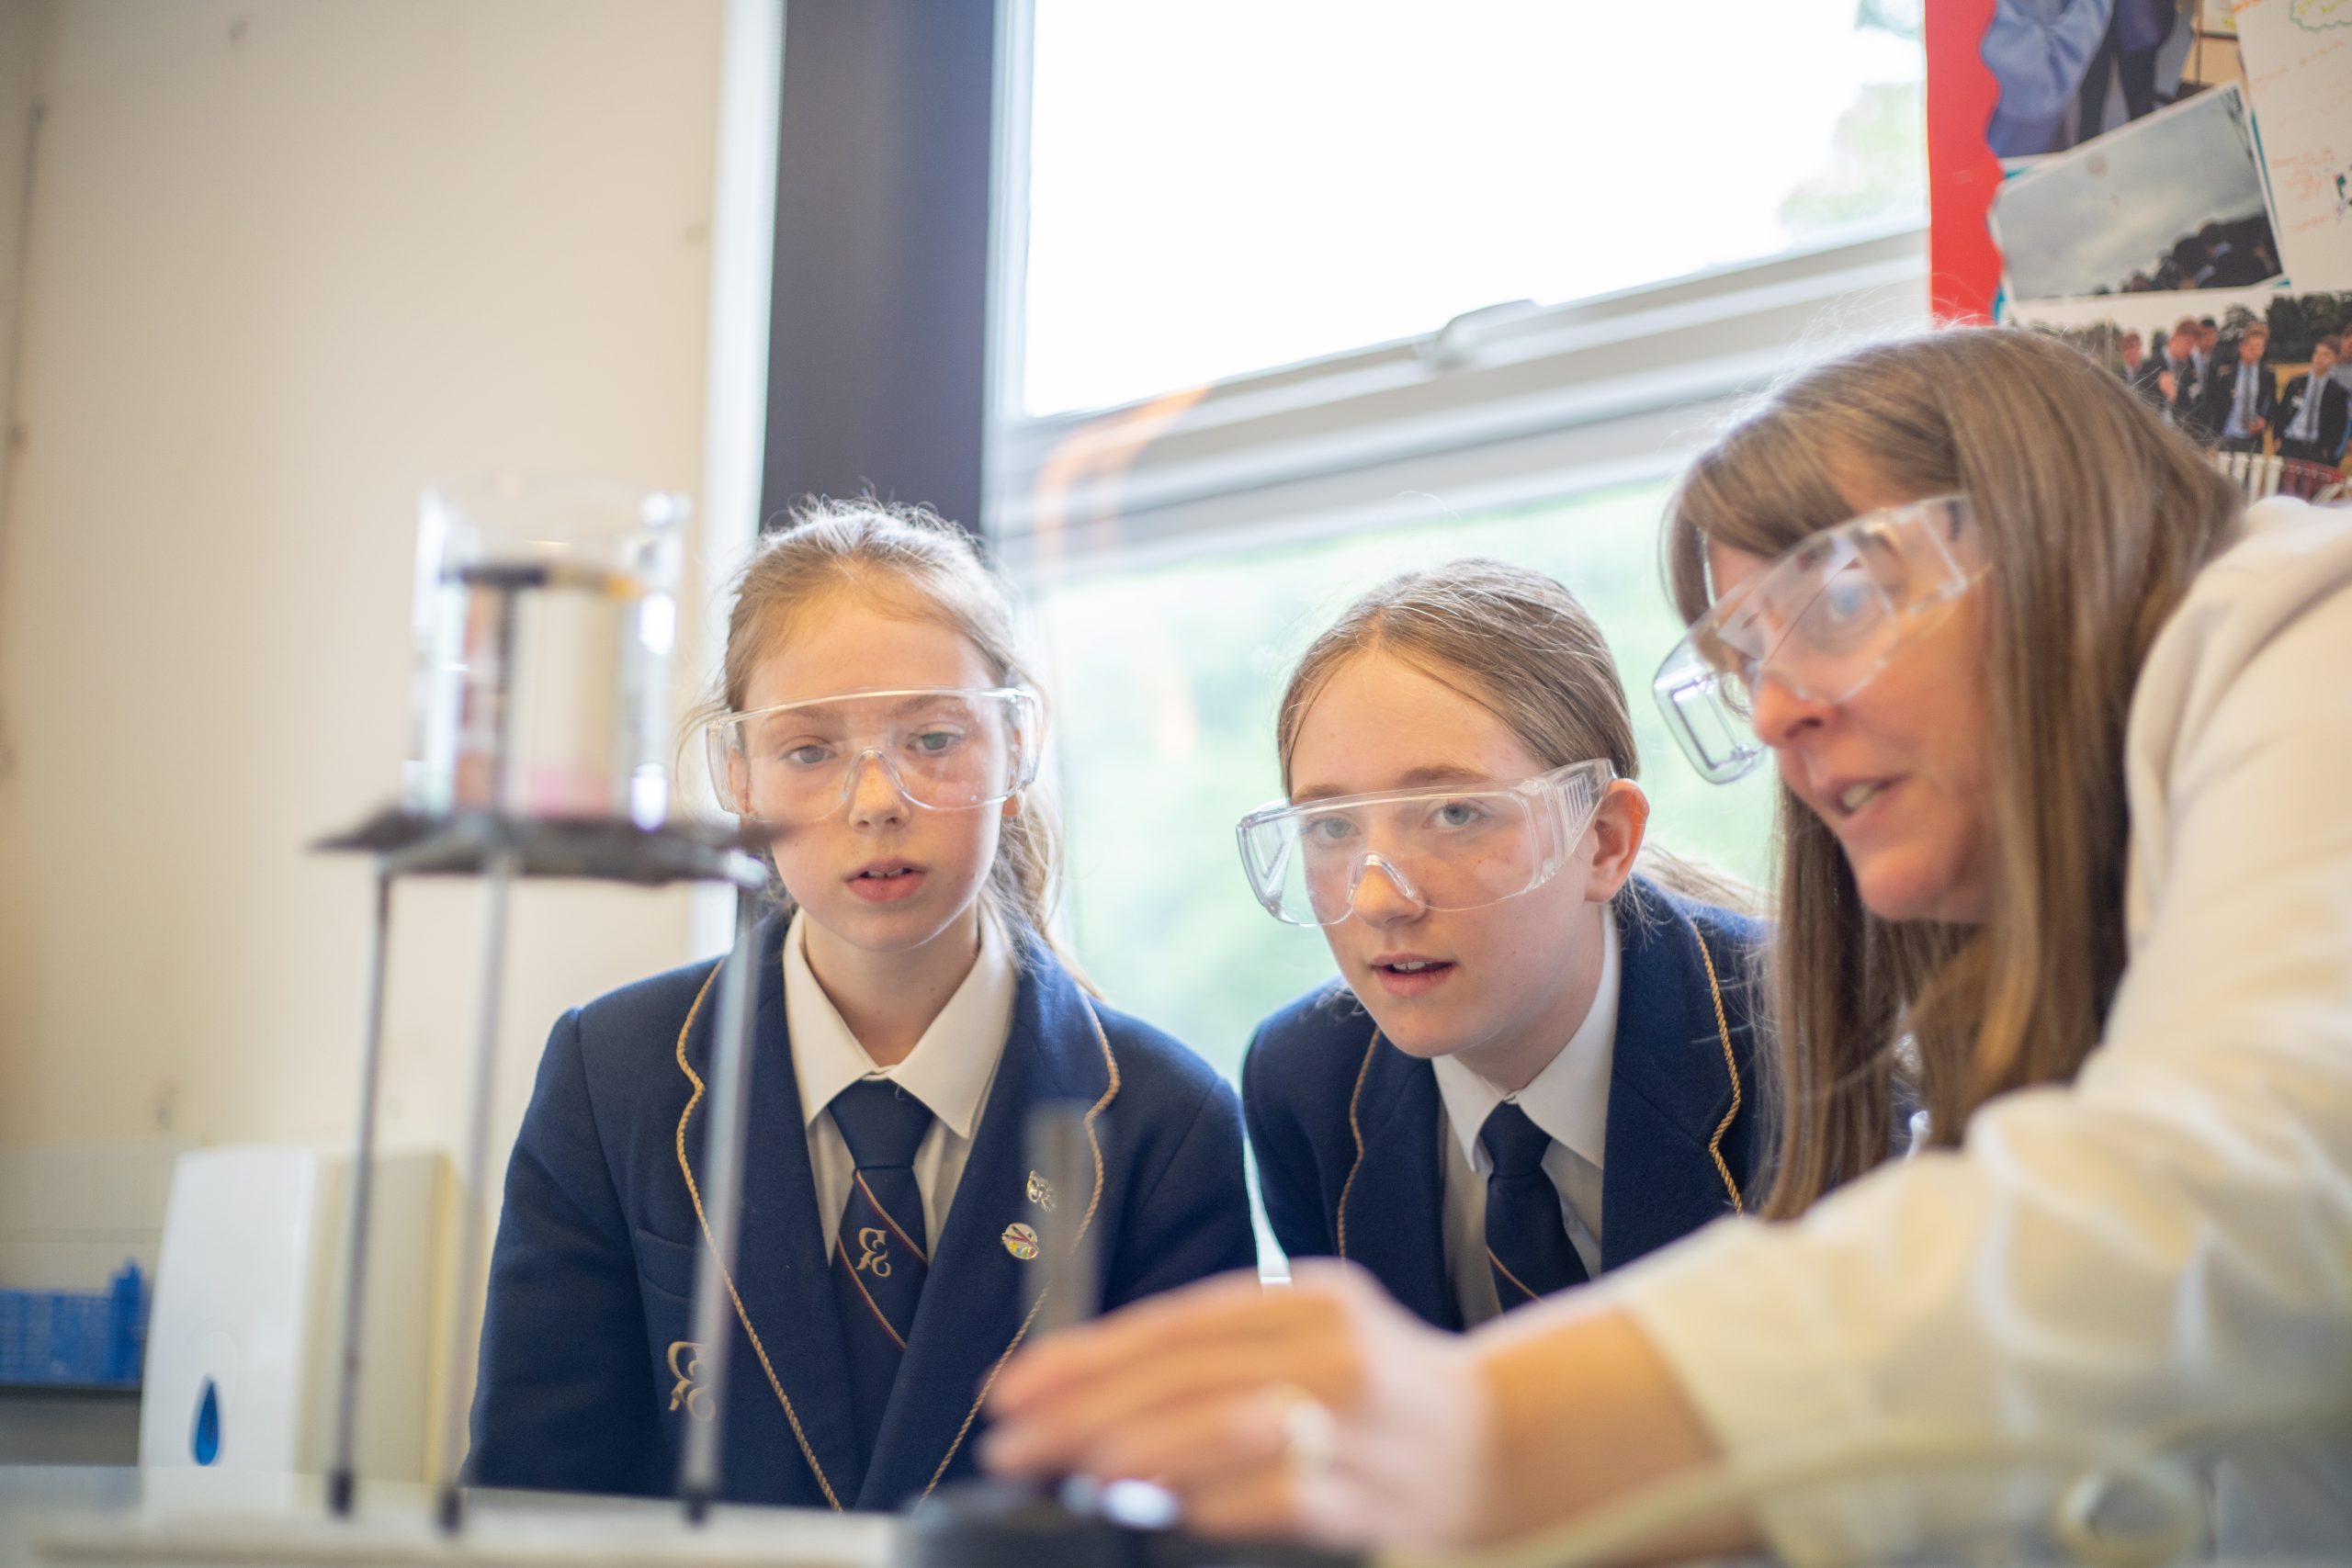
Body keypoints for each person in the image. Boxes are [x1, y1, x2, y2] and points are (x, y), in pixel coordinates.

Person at [980, 329, 2352, 1562]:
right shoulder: (1304, 1078)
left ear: (2056, 527)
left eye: (1838, 606)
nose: (1775, 713)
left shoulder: (2308, 637)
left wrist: (1483, 1425)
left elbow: (2239, 1189)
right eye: (1748, 659)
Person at [469, 499, 1256, 1510]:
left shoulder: (1164, 1120)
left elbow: (1192, 1522)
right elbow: (533, 1498)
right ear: (739, 775)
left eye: (931, 738)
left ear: (1015, 749)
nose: (876, 799)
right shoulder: (610, 1075)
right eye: (810, 751)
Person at [1237, 562, 1764, 1332]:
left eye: (1454, 813)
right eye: (1331, 826)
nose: (1380, 899)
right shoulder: (1303, 1083)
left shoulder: (1810, 1036)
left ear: (1604, 841)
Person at [2276, 339, 2348, 468]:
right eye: (2317, 353)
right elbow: (2282, 411)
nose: (2320, 358)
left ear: (2335, 359)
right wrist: (2278, 437)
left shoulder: (2338, 392)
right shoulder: (2297, 383)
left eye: (2326, 355)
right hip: (2290, 443)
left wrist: (2327, 450)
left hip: (2316, 449)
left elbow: (2339, 424)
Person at [2211, 323, 2276, 455]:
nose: (2255, 351)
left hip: (2253, 440)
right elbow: (2216, 406)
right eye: (2251, 346)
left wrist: (2263, 420)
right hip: (2228, 437)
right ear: (2242, 347)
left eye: (2259, 347)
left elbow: (2272, 403)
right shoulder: (2226, 375)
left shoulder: (2268, 375)